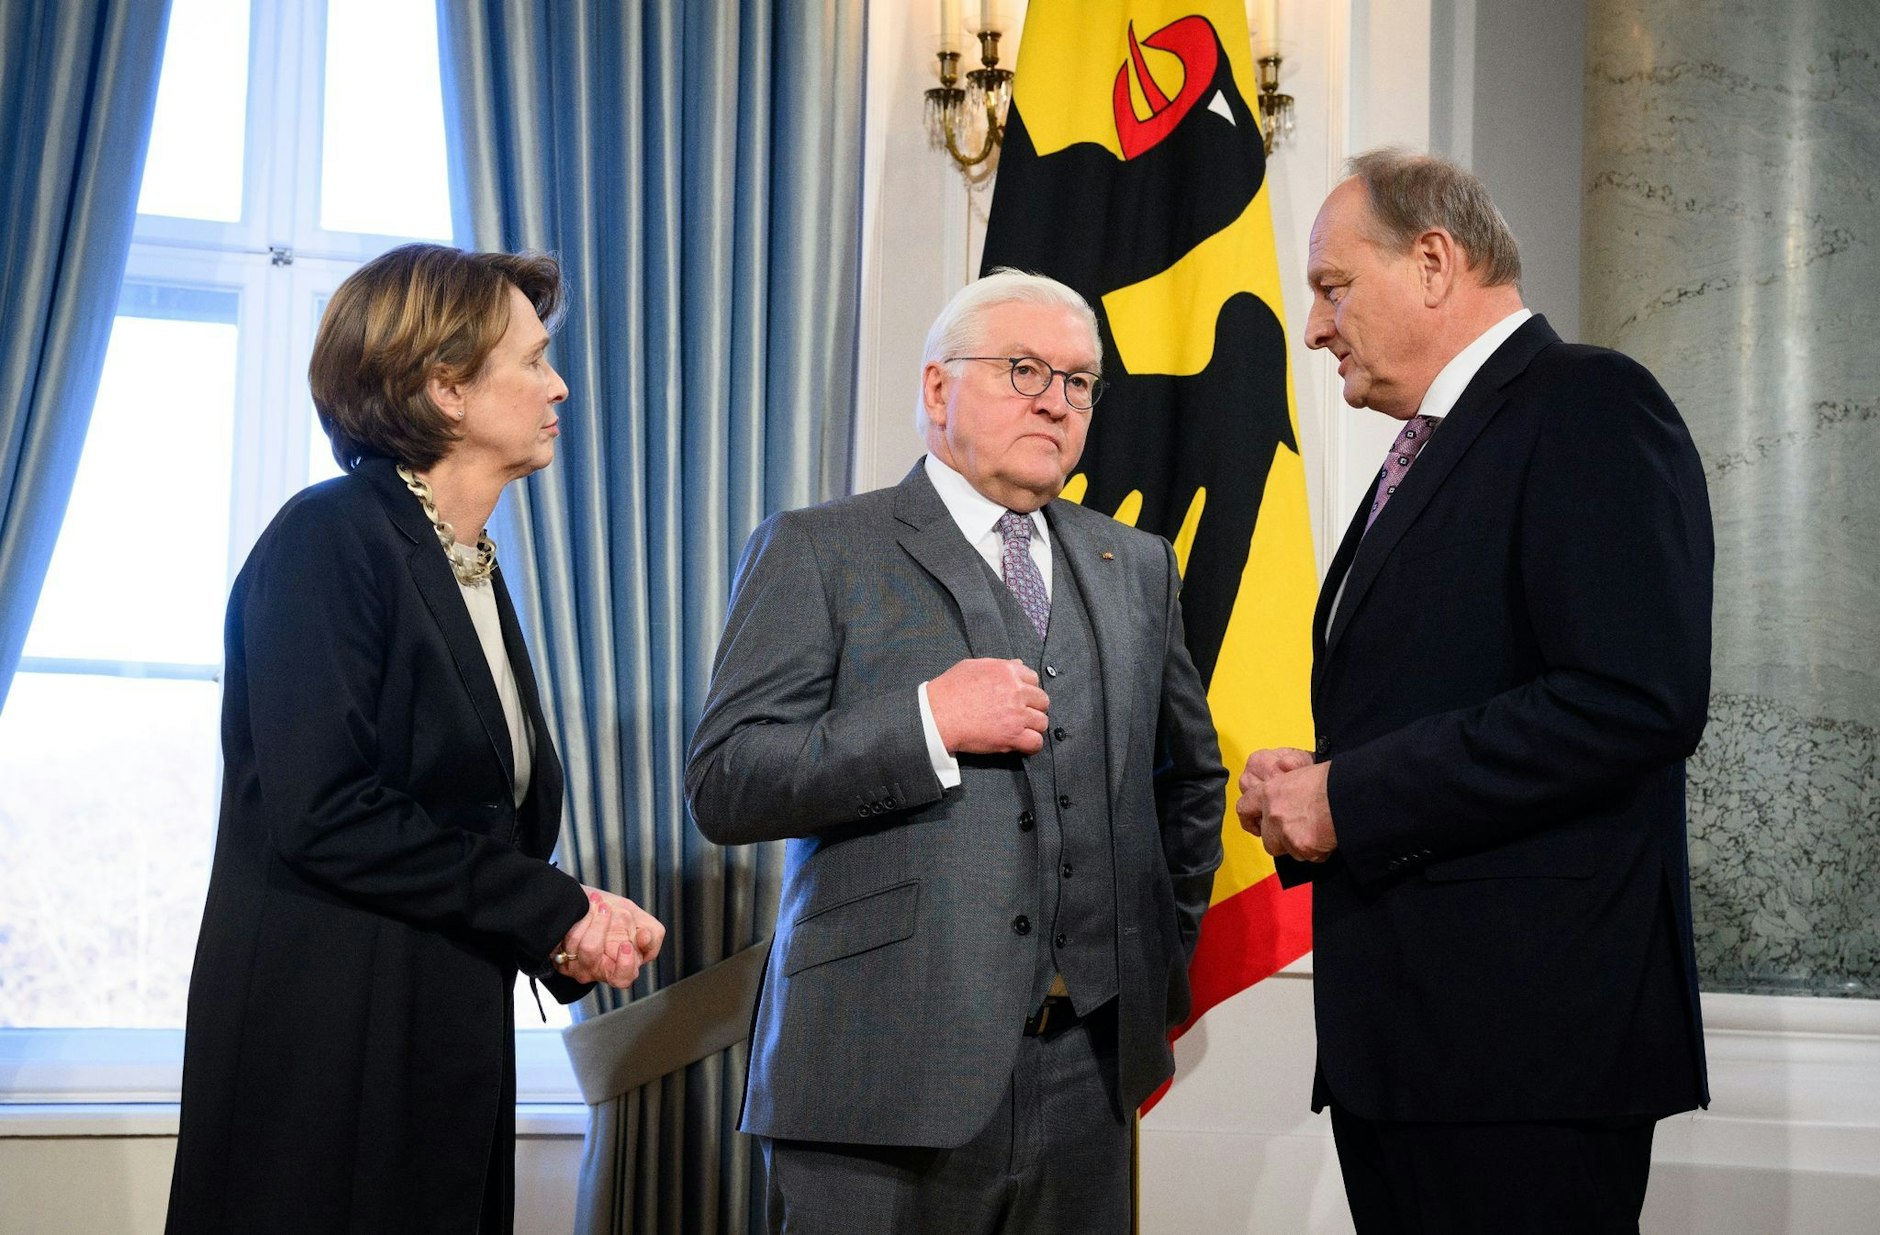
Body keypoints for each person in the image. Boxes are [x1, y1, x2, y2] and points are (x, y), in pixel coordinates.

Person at [686, 269, 1225, 1233]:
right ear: (938, 390)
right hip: (875, 1079)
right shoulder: (817, 549)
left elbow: (1188, 782)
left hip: (1087, 1076)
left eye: (1079, 383)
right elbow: (728, 782)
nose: (1056, 403)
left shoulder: (1136, 564)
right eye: (1024, 371)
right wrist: (925, 722)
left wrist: (1151, 967)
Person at [1238, 150, 1713, 1234]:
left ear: (1434, 262)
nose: (1313, 328)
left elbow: (1630, 698)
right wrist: (1316, 785)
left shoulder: (1588, 403)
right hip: (1412, 1054)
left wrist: (1350, 798)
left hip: (1522, 1063)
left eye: (1329, 286)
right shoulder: (1442, 440)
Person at [165, 243, 665, 1235]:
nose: (557, 383)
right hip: (330, 1044)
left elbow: (469, 823)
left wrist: (567, 926)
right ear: (443, 387)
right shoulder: (329, 534)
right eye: (530, 359)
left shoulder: (466, 560)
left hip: (439, 1036)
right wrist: (553, 902)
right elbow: (326, 811)